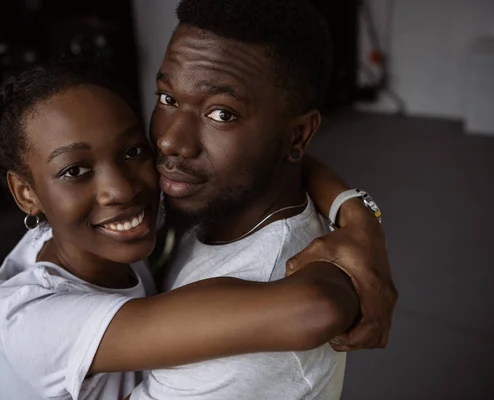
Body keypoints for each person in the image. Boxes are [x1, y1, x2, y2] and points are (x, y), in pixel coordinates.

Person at [0, 58, 362, 400]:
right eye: (75, 171)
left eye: (132, 151)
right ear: (26, 193)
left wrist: (357, 215)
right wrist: (361, 251)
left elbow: (270, 157)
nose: (122, 189)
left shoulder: (91, 229)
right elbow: (315, 309)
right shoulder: (39, 325)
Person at [129, 0, 394, 399]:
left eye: (221, 114)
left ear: (298, 136)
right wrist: (357, 210)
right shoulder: (217, 195)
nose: (169, 140)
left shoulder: (248, 355)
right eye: (168, 98)